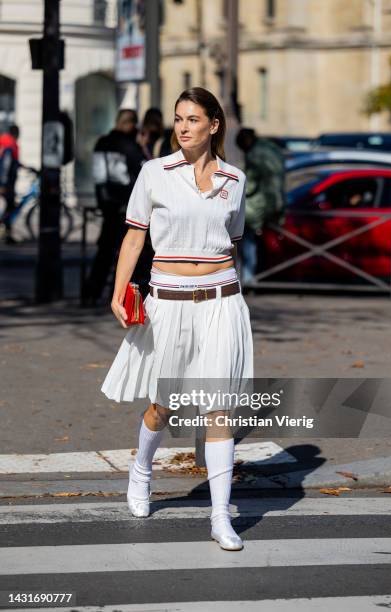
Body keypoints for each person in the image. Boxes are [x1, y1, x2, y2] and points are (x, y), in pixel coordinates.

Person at [101, 87, 253, 551]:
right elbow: (133, 238)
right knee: (163, 404)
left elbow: (234, 238)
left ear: (214, 125)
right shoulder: (154, 172)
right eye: (178, 119)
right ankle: (142, 471)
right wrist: (118, 291)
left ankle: (220, 516)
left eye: (192, 119)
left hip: (223, 301)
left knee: (218, 406)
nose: (183, 126)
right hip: (168, 300)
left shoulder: (234, 178)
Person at [83, 109, 149, 306]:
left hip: (107, 203)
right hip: (126, 204)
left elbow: (98, 175)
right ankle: (120, 294)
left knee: (105, 251)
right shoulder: (129, 146)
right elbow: (141, 173)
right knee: (130, 250)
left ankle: (91, 293)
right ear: (130, 125)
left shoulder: (102, 142)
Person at [236, 127, 287, 284]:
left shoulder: (254, 155)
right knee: (259, 238)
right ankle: (256, 275)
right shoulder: (270, 147)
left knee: (247, 236)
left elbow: (250, 184)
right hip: (278, 201)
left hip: (260, 203)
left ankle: (248, 277)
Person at [0, 125, 20, 244]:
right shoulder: (9, 146)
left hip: (8, 183)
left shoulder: (10, 146)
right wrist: (2, 184)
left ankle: (7, 234)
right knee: (9, 208)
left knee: (9, 207)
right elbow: (5, 167)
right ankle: (6, 235)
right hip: (7, 184)